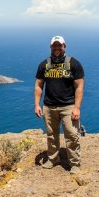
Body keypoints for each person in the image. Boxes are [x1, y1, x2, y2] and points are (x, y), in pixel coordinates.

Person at [34, 36, 85, 174]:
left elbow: (79, 86)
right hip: (49, 106)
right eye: (54, 46)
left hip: (68, 106)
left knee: (72, 135)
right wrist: (37, 105)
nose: (57, 48)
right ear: (50, 47)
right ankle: (53, 159)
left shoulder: (74, 64)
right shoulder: (44, 65)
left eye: (59, 45)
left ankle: (74, 163)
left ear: (64, 46)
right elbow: (39, 85)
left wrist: (77, 107)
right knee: (51, 134)